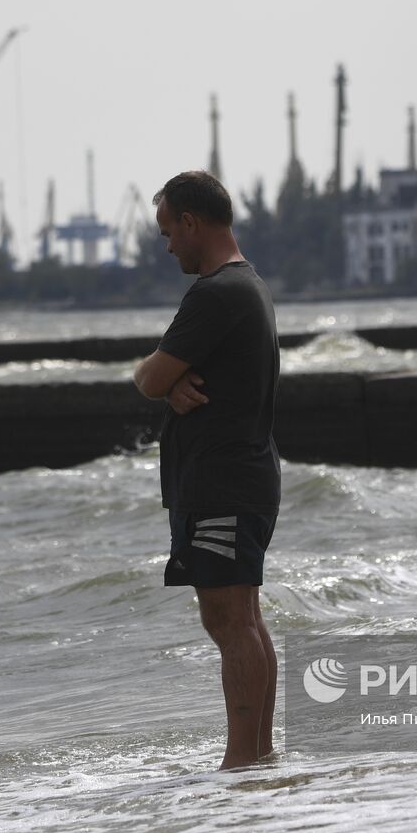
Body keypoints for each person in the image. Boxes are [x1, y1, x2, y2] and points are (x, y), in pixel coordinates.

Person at [132, 171, 281, 769]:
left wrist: (162, 386)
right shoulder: (248, 285)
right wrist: (171, 389)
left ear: (192, 222)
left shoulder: (216, 292)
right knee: (242, 616)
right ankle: (259, 754)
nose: (167, 244)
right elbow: (171, 381)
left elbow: (148, 377)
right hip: (242, 475)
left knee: (228, 619)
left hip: (223, 482)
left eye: (169, 231)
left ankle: (241, 760)